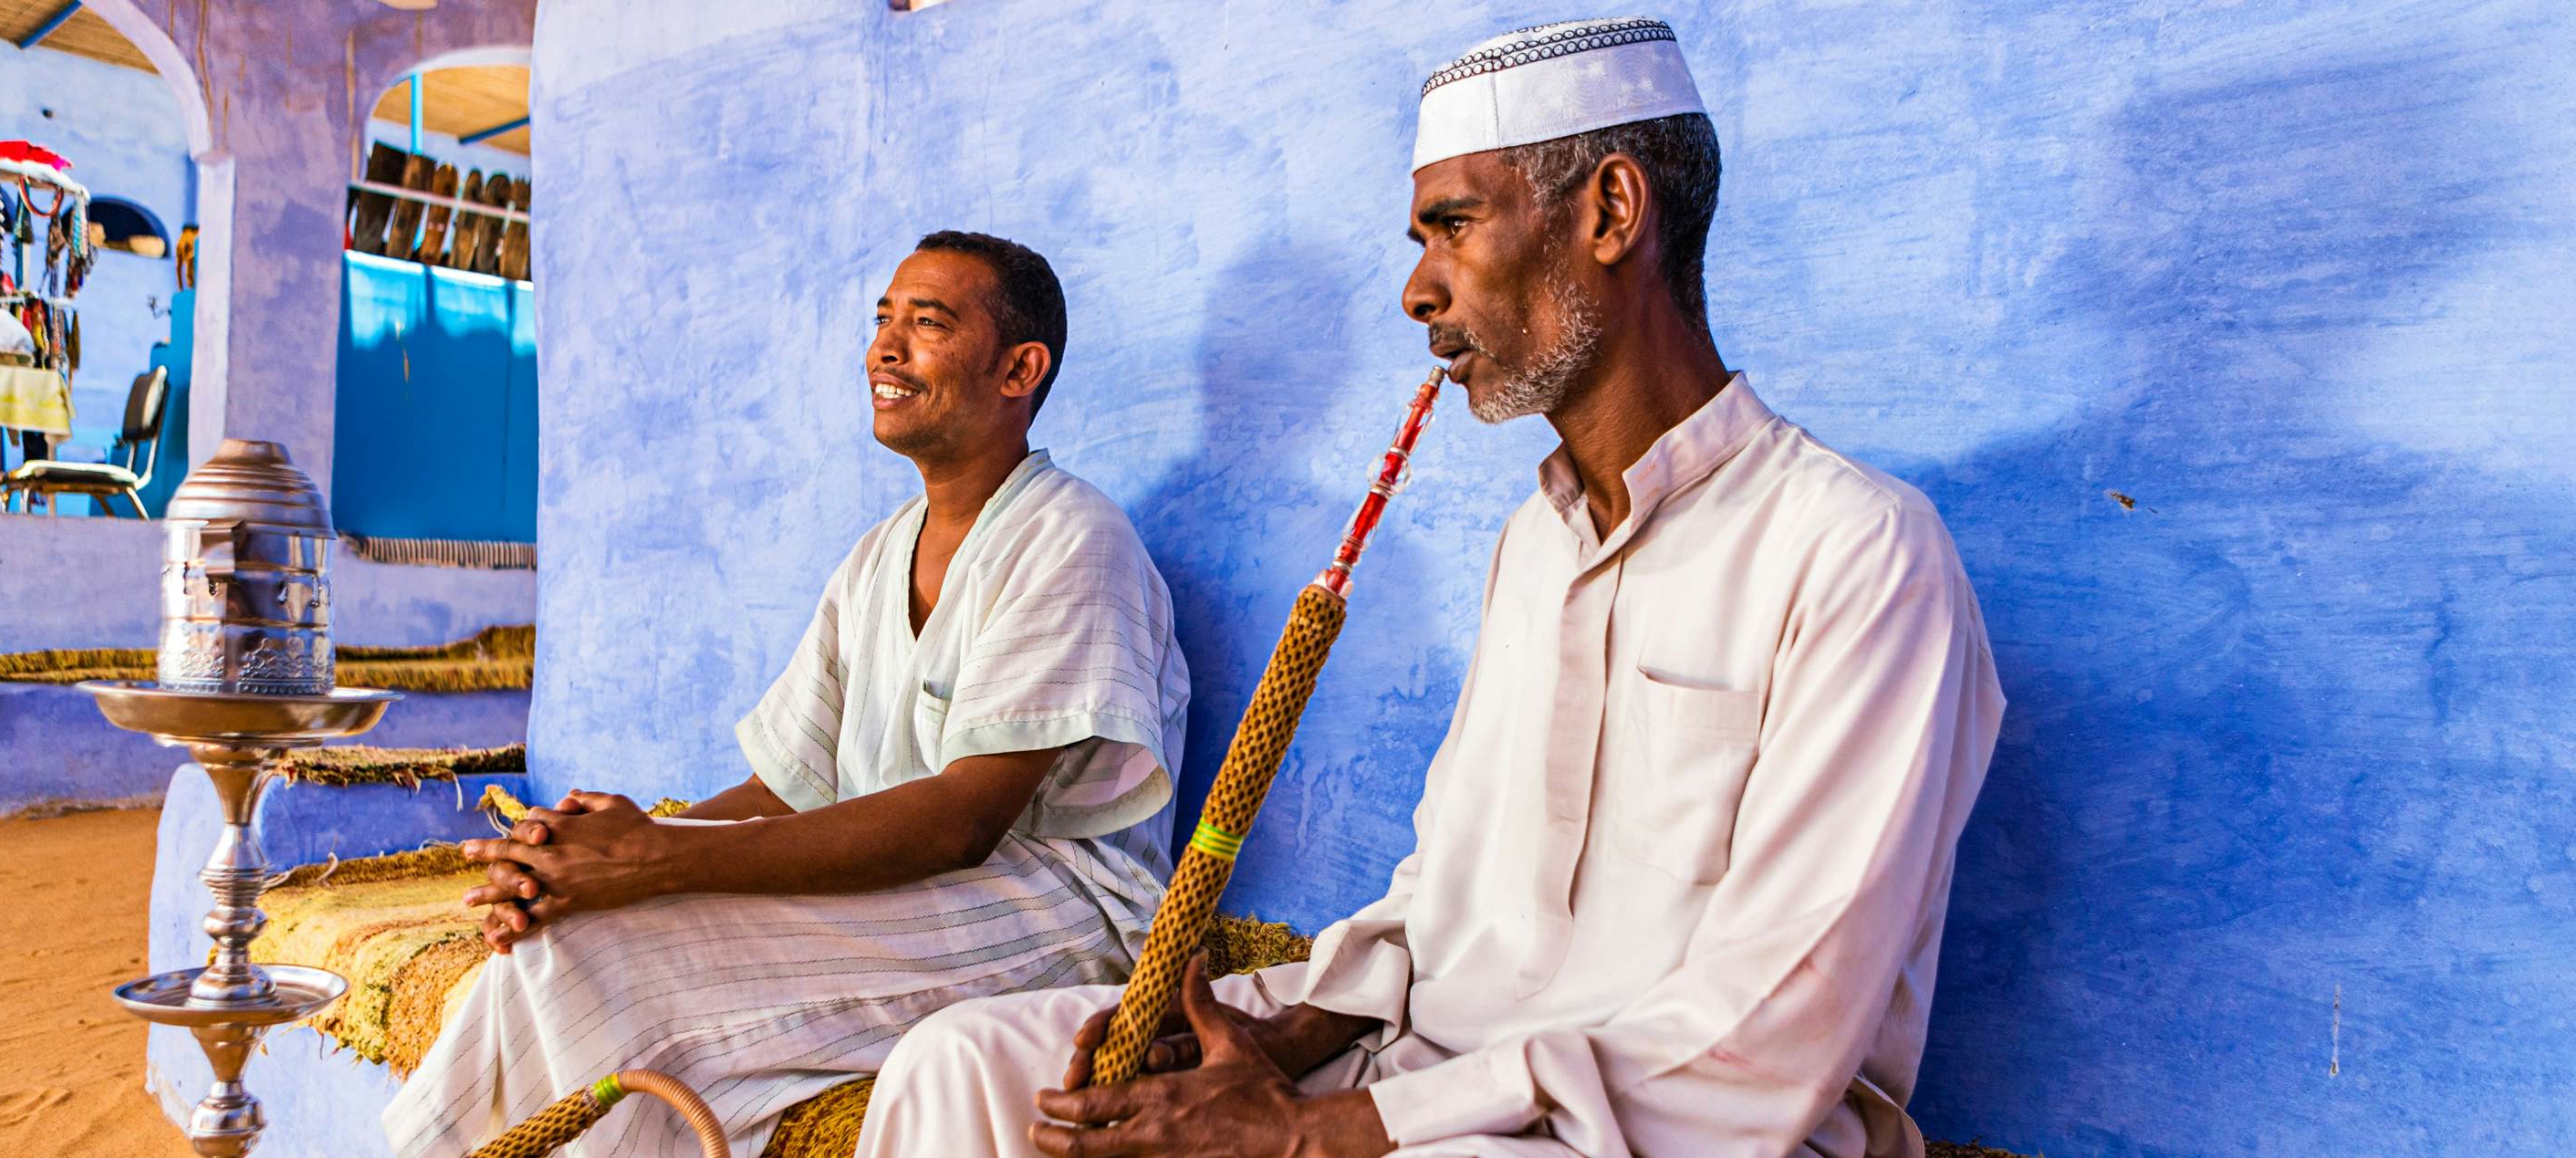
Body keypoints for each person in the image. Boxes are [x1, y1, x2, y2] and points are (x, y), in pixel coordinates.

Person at [857, 18, 2005, 1157]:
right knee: (964, 1062)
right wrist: (1281, 1040)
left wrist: (1318, 1135)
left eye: (1452, 227)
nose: (1418, 292)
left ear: (1609, 212)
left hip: (1645, 1129)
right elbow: (1443, 895)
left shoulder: (1858, 552)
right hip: (1426, 1066)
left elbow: (1770, 1037)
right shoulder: (1533, 548)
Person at [383, 231, 1193, 1158]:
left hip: (1046, 909)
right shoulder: (875, 558)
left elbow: (962, 821)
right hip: (915, 891)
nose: (883, 349)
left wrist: (654, 860)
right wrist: (587, 859)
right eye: (882, 319)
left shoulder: (1072, 538)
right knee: (558, 936)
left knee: (602, 960)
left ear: (1019, 369)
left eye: (925, 324)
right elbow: (783, 789)